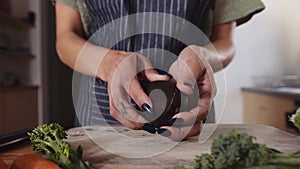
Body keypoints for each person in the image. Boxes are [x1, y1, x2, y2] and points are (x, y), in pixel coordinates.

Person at [55, 0, 265, 141]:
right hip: (98, 115)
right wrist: (111, 64)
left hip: (186, 110)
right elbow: (65, 39)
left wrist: (203, 56)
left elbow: (225, 43)